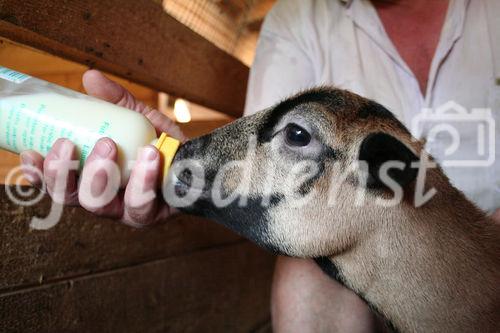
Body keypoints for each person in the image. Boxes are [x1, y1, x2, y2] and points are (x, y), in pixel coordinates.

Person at [20, 0, 499, 332]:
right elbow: (264, 162)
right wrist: (172, 167)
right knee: (305, 275)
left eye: (296, 133)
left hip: (466, 262)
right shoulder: (298, 18)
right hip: (365, 279)